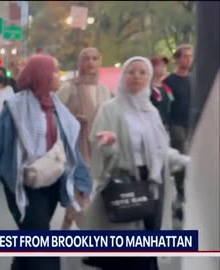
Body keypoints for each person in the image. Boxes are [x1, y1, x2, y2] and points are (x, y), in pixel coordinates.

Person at [0, 54, 91, 270]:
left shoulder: (59, 108)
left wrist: (81, 182)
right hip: (23, 184)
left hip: (52, 183)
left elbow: (71, 148)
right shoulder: (14, 108)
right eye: (55, 71)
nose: (59, 76)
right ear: (42, 75)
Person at [81, 57, 190, 270]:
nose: (137, 77)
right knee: (126, 255)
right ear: (123, 76)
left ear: (149, 77)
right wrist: (109, 145)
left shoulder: (151, 112)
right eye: (131, 72)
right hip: (124, 185)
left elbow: (160, 150)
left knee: (149, 251)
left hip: (152, 187)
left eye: (142, 72)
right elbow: (99, 149)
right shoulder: (110, 109)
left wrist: (186, 160)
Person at [57, 48, 111, 229]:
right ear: (80, 63)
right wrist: (72, 119)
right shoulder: (69, 88)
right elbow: (53, 115)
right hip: (74, 150)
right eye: (86, 58)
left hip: (97, 148)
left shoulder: (104, 91)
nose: (91, 62)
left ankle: (65, 229)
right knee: (81, 193)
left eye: (95, 58)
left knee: (83, 194)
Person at [163, 44, 193, 215]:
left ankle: (189, 191)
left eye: (190, 56)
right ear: (177, 59)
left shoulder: (194, 79)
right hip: (176, 123)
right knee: (181, 154)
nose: (188, 59)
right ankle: (181, 192)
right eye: (185, 56)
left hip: (191, 123)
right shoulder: (169, 81)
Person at [150, 56, 174, 128]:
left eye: (164, 66)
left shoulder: (166, 88)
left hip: (166, 125)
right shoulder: (147, 88)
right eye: (160, 66)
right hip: (152, 125)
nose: (163, 68)